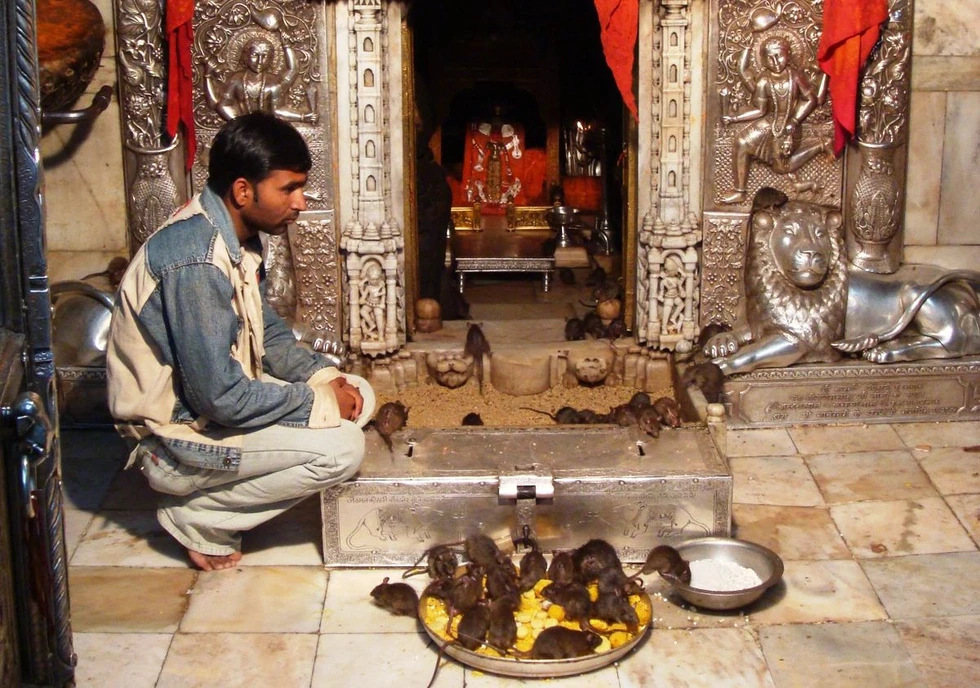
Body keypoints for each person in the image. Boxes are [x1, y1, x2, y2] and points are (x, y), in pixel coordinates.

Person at [106, 112, 374, 571]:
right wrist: (318, 405)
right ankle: (198, 516)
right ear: (243, 191)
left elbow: (268, 334)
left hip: (212, 406)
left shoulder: (238, 237)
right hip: (174, 438)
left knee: (359, 392)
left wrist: (327, 380)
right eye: (288, 188)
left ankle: (219, 489)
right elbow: (220, 397)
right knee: (343, 450)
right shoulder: (196, 259)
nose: (301, 202)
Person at [720, 35, 830, 204]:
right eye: (770, 58)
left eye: (779, 55)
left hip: (790, 124)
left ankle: (821, 145)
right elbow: (759, 109)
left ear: (789, 54)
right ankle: (740, 191)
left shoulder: (795, 76)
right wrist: (735, 118)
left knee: (781, 167)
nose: (776, 62)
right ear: (763, 60)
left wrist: (794, 121)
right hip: (769, 122)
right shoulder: (764, 80)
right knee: (741, 142)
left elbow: (811, 99)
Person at [205, 36, 316, 124]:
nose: (259, 61)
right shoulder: (236, 80)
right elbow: (222, 105)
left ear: (271, 59)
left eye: (264, 56)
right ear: (245, 56)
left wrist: (302, 117)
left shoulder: (273, 83)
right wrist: (238, 123)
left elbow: (276, 112)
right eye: (255, 55)